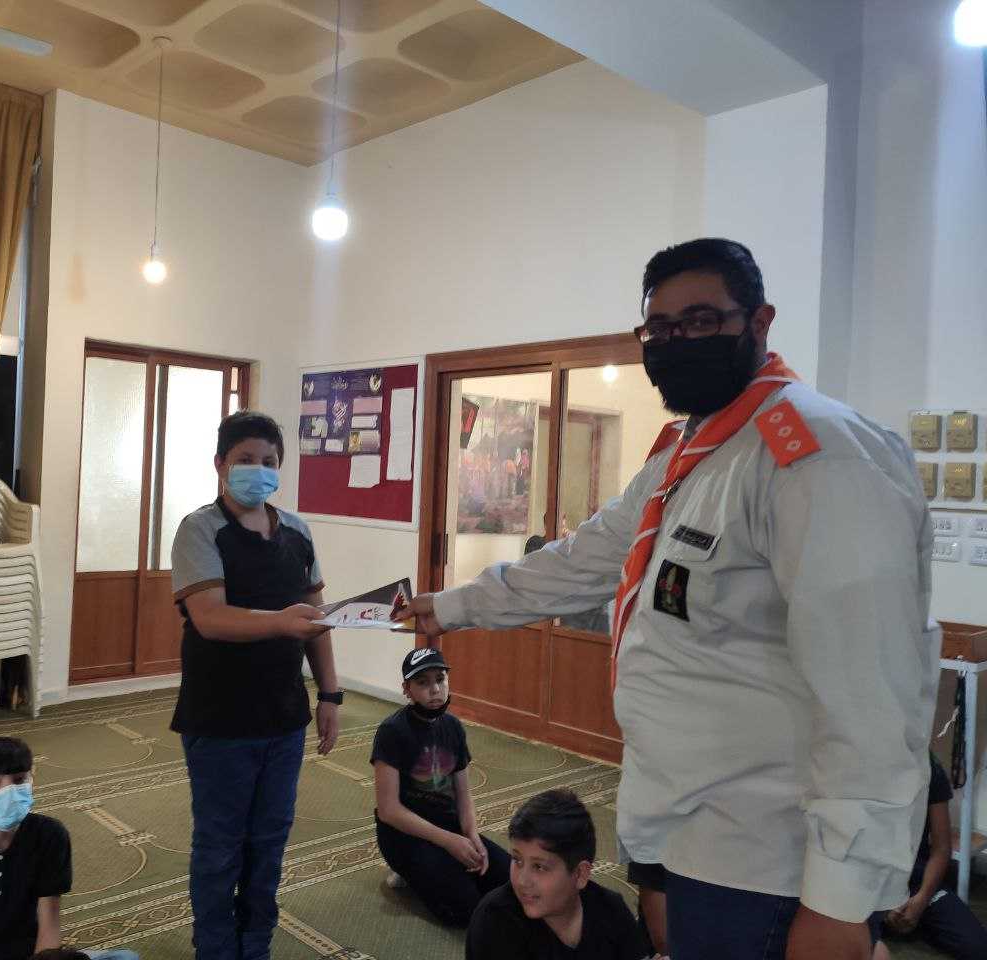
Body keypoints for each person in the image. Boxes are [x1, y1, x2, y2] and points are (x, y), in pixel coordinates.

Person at [400, 238, 940, 960]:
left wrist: (840, 902)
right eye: (659, 328)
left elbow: (873, 693)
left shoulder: (817, 453)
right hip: (686, 830)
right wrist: (452, 606)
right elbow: (586, 559)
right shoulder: (687, 453)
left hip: (771, 863)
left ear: (759, 322)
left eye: (702, 321)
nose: (677, 342)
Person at [170, 411, 342, 960]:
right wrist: (281, 622)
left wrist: (330, 694)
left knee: (269, 845)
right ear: (220, 464)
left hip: (284, 718)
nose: (257, 470)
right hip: (219, 719)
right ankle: (216, 949)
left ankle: (255, 946)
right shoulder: (200, 529)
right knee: (220, 848)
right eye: (245, 460)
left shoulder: (298, 531)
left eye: (268, 461)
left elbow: (317, 620)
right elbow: (210, 617)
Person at [0, 737, 132, 960]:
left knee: (125, 957)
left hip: (32, 956)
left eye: (19, 780)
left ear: (31, 781)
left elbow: (49, 925)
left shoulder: (50, 835)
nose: (9, 791)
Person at [371, 646, 510, 925]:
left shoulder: (453, 727)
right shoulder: (392, 731)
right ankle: (407, 871)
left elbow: (463, 795)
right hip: (404, 835)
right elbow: (388, 810)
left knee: (510, 880)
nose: (435, 689)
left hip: (448, 826)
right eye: (422, 682)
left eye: (440, 679)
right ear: (407, 690)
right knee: (465, 908)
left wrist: (472, 836)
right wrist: (449, 841)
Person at [466, 788, 653, 959]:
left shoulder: (610, 909)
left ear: (580, 874)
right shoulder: (495, 920)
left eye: (539, 867)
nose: (522, 881)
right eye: (517, 860)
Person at [870, 752, 987, 959]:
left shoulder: (929, 766)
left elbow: (941, 849)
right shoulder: (859, 764)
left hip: (916, 881)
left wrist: (922, 899)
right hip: (867, 885)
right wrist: (884, 903)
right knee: (862, 947)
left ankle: (912, 920)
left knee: (978, 946)